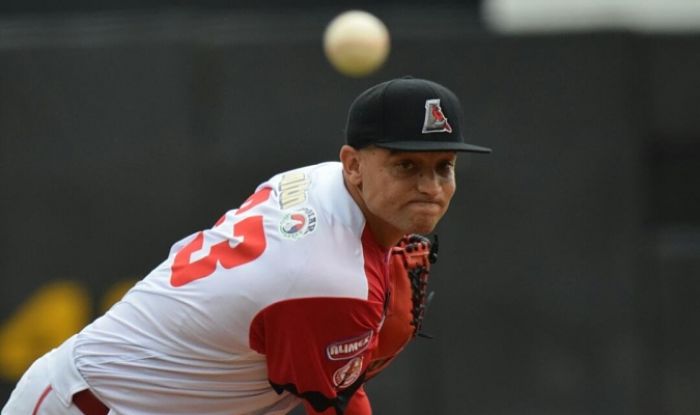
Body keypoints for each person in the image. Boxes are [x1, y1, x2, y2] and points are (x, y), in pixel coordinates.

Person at [2, 76, 491, 415]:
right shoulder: (331, 283)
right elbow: (335, 407)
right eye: (406, 166)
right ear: (354, 165)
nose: (430, 186)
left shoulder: (317, 181)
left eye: (442, 166)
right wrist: (351, 361)